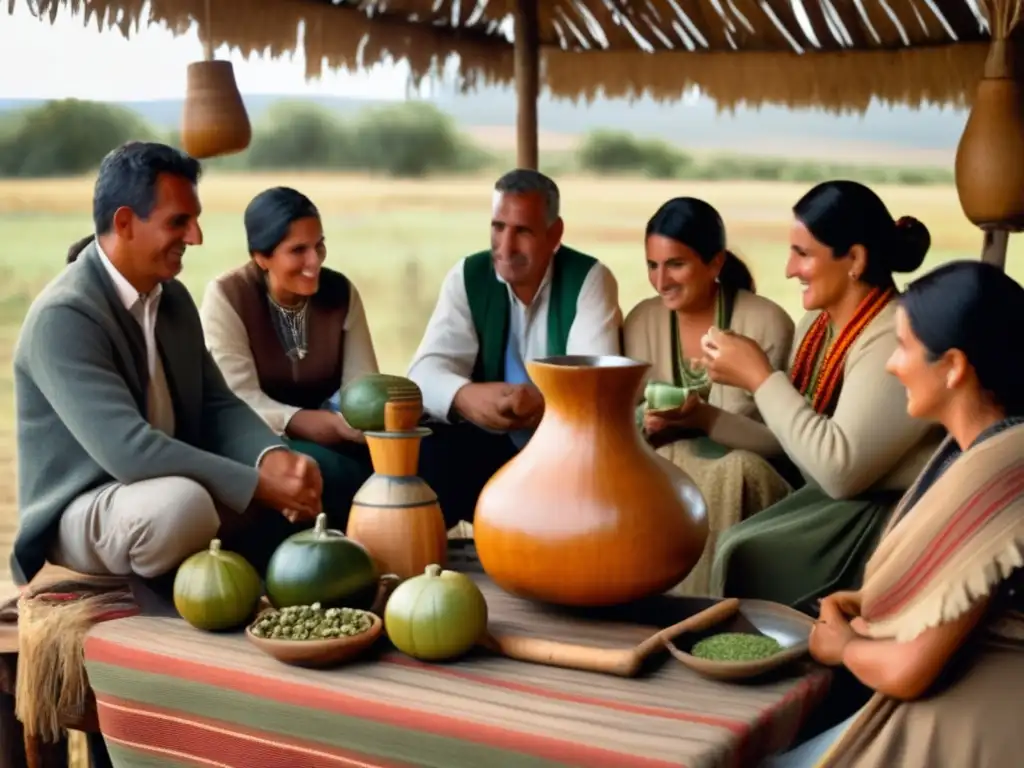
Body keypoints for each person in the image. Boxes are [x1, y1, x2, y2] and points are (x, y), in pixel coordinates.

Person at [10, 142, 324, 589]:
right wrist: (256, 485)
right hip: (85, 504)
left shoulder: (171, 298)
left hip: (167, 481)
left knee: (296, 471)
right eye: (179, 221)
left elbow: (218, 403)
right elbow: (129, 451)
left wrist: (274, 459)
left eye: (194, 219)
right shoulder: (64, 316)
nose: (196, 237)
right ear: (124, 223)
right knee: (184, 507)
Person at [763, 261, 1024, 767]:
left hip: (981, 721)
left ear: (953, 366)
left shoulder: (995, 475)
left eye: (902, 347)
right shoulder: (982, 448)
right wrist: (875, 603)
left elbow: (909, 669)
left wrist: (843, 648)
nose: (890, 364)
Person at [692, 180, 944, 608]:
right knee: (731, 543)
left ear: (855, 260)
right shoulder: (817, 330)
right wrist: (704, 417)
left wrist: (760, 379)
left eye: (803, 254)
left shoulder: (891, 335)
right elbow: (797, 443)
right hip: (835, 497)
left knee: (746, 554)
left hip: (889, 511)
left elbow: (840, 470)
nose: (789, 269)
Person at [407, 168, 622, 527]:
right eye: (498, 227)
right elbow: (423, 372)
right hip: (487, 448)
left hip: (563, 457)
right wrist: (465, 396)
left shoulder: (589, 278)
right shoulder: (468, 275)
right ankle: (430, 564)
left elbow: (594, 386)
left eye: (522, 231)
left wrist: (542, 405)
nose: (505, 247)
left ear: (555, 234)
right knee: (424, 450)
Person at [623, 197, 795, 595]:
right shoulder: (642, 321)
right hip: (662, 471)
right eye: (652, 265)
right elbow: (622, 417)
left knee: (733, 470)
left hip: (747, 483)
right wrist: (644, 424)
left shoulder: (766, 323)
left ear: (715, 264)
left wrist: (705, 419)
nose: (661, 281)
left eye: (676, 264)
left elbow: (784, 442)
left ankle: (706, 606)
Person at [200, 186, 376, 525]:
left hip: (336, 433)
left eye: (319, 245)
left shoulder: (341, 292)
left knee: (417, 461)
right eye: (298, 250)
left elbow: (363, 387)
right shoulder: (227, 296)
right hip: (260, 440)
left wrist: (359, 424)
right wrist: (306, 422)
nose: (315, 261)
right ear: (261, 256)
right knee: (335, 474)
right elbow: (240, 400)